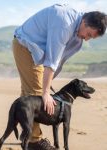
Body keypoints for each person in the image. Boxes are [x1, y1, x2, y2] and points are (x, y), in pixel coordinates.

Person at [12, 4, 107, 150]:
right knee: (34, 93)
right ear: (85, 22)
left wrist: (47, 82)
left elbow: (59, 61)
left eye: (91, 38)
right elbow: (52, 60)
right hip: (25, 45)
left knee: (29, 92)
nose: (87, 39)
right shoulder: (64, 24)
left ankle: (27, 133)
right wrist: (45, 92)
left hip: (38, 53)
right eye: (88, 34)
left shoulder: (78, 36)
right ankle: (34, 141)